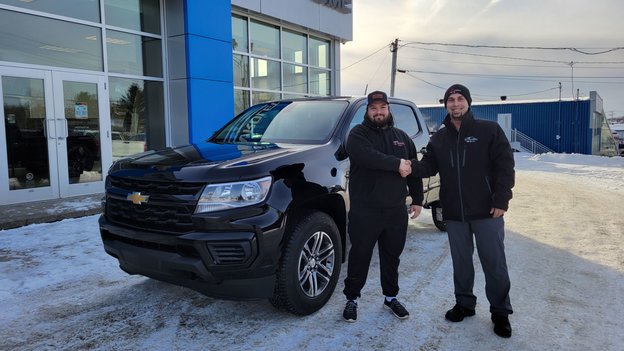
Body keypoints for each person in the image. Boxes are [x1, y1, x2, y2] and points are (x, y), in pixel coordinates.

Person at [410, 84, 515, 338]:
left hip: (487, 211)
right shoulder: (439, 139)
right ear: (445, 105)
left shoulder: (488, 130)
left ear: (468, 102)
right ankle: (465, 304)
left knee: (494, 263)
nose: (455, 104)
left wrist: (501, 200)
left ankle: (500, 312)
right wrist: (403, 165)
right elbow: (427, 168)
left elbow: (505, 166)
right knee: (461, 263)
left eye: (460, 99)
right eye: (451, 100)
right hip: (455, 213)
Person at [341, 90, 423, 322]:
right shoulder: (358, 135)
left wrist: (417, 199)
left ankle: (390, 297)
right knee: (360, 255)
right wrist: (397, 163)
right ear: (367, 111)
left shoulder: (402, 137)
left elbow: (413, 169)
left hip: (395, 210)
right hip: (365, 211)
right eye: (373, 108)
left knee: (392, 257)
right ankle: (352, 299)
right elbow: (367, 156)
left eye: (382, 108)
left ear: (388, 109)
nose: (378, 112)